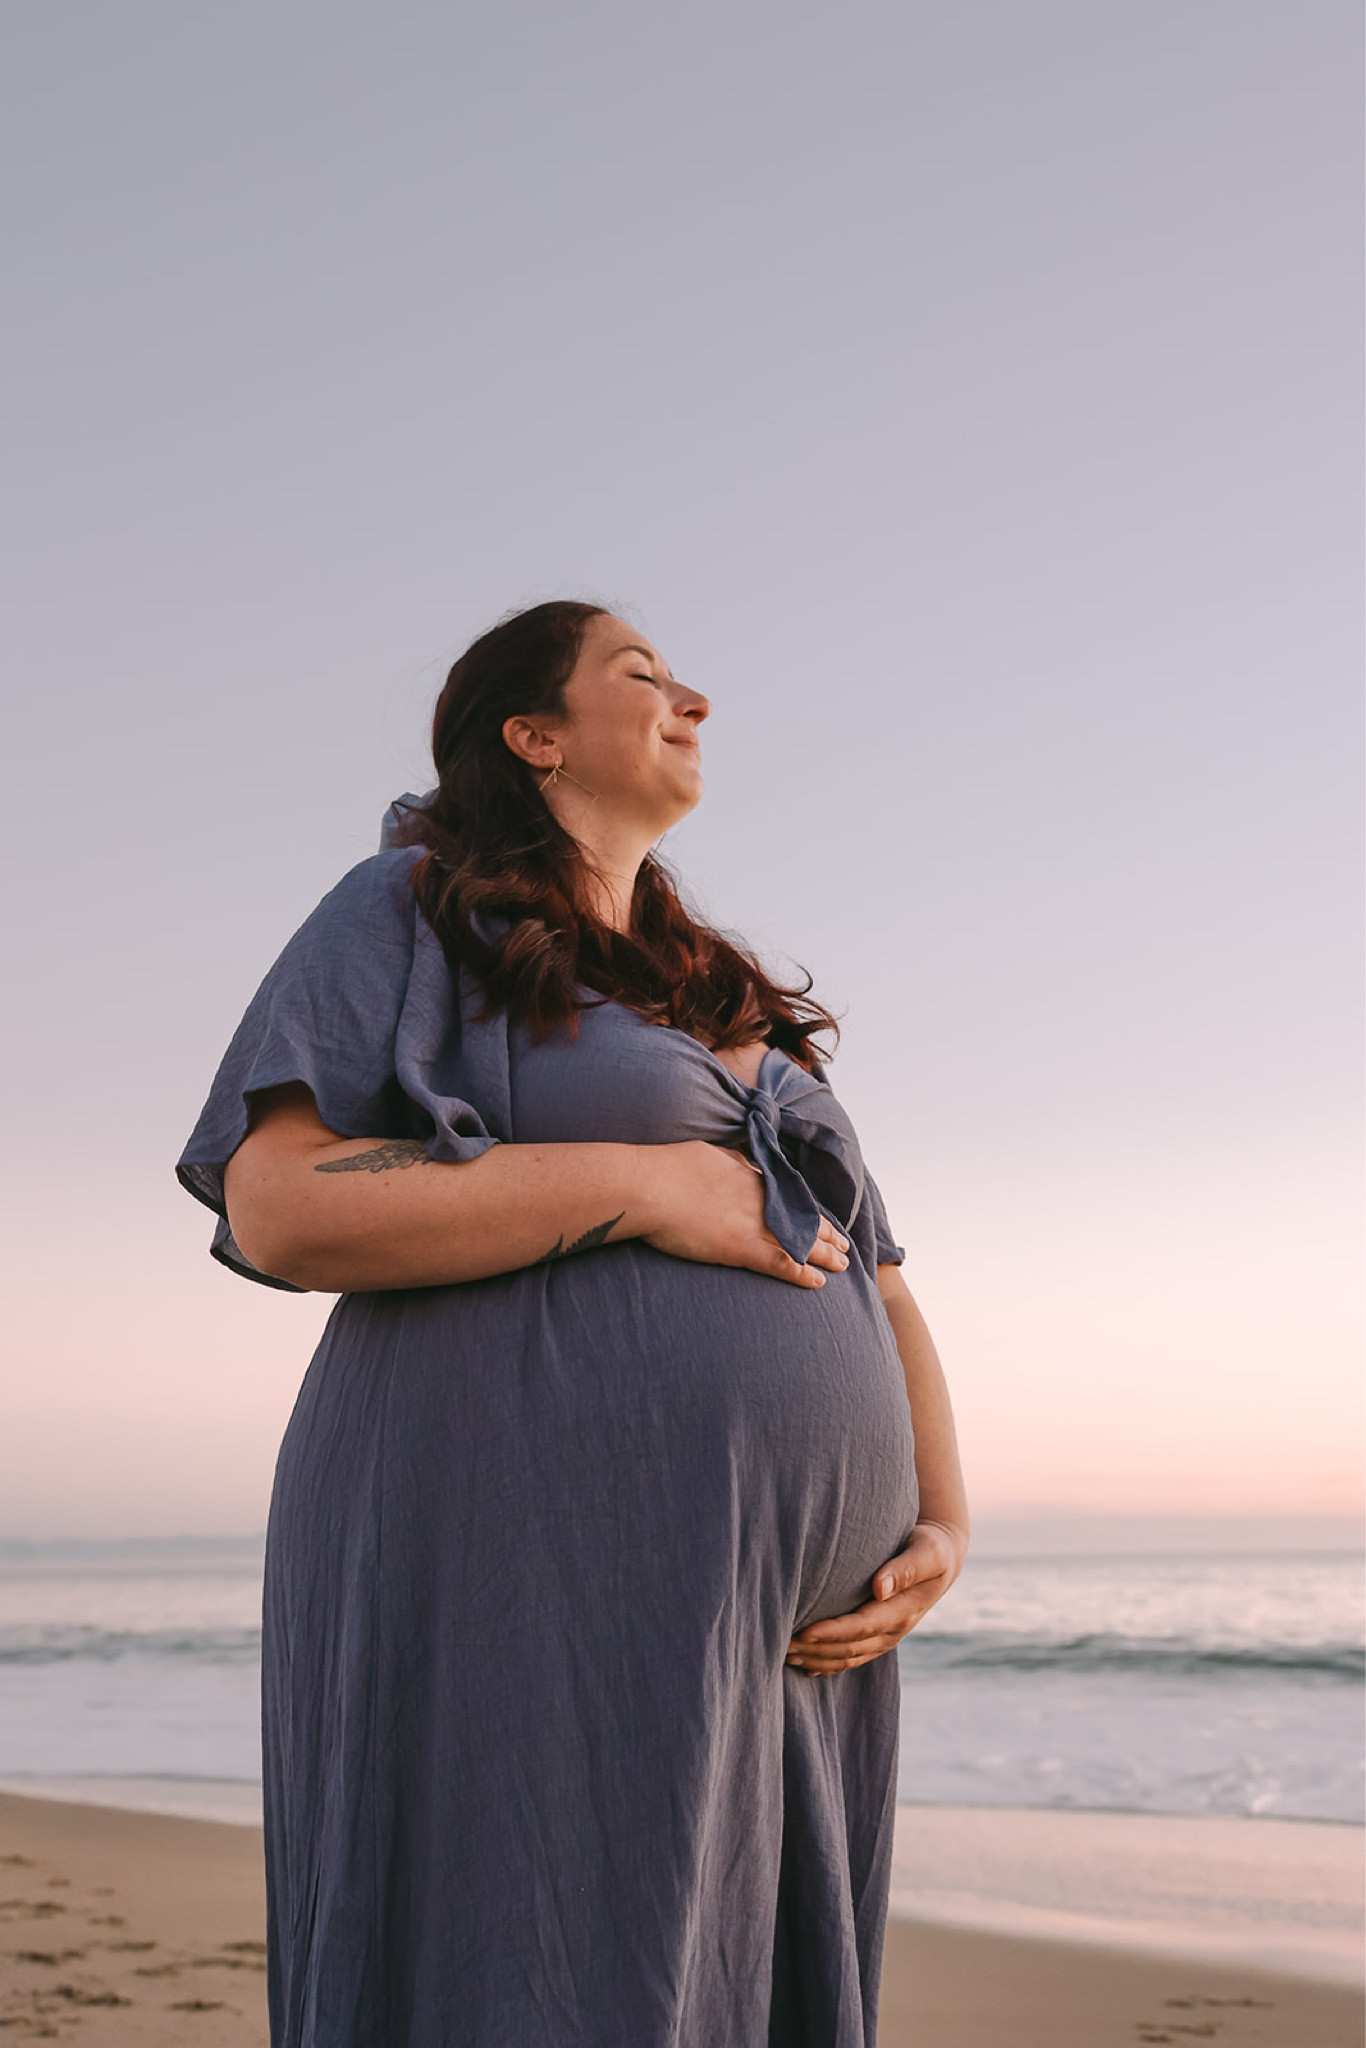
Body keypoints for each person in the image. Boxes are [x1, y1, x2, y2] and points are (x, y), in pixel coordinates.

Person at [176, 600, 969, 2048]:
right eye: (643, 675)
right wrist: (644, 1185)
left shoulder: (716, 986)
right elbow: (279, 1205)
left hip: (796, 1628)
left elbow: (882, 1279)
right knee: (541, 1959)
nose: (694, 701)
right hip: (528, 1554)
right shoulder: (410, 907)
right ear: (534, 735)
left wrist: (943, 1524)